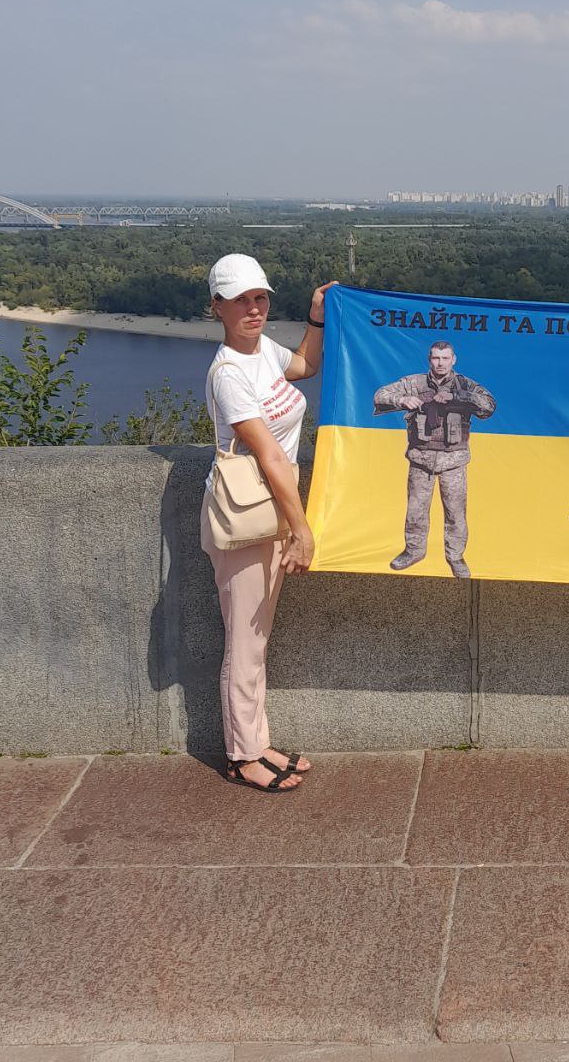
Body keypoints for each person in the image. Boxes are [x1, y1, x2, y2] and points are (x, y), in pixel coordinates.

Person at [201, 253, 335, 793]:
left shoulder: (262, 353)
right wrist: (301, 529)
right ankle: (241, 756)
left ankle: (258, 742)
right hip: (249, 518)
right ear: (216, 307)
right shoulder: (229, 373)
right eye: (240, 300)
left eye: (260, 298)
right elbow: (271, 457)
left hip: (272, 512)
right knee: (245, 641)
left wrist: (317, 316)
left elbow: (304, 366)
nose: (253, 309)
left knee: (257, 636)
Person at [373, 340, 496, 579]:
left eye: (445, 358)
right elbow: (380, 395)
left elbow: (489, 406)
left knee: (455, 513)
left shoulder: (465, 384)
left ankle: (456, 556)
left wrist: (457, 396)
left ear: (453, 360)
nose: (440, 363)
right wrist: (402, 400)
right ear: (429, 360)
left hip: (454, 460)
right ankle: (414, 551)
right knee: (416, 510)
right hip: (421, 459)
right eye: (436, 358)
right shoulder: (413, 383)